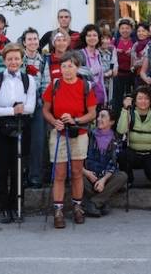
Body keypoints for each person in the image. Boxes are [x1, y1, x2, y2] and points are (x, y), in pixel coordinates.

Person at [42, 51, 98, 229]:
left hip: (79, 133)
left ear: (77, 67)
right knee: (59, 173)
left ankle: (77, 207)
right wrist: (54, 121)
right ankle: (58, 210)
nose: (67, 69)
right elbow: (46, 110)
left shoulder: (85, 86)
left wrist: (76, 120)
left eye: (70, 66)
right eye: (63, 66)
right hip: (58, 133)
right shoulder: (55, 85)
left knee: (76, 172)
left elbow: (92, 113)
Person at [0, 43, 36, 223]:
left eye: (17, 59)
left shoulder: (29, 80)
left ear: (22, 60)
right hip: (2, 128)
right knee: (1, 169)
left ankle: (16, 206)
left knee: (19, 169)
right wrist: (12, 110)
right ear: (4, 60)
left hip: (22, 127)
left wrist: (14, 110)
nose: (13, 62)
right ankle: (2, 207)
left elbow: (30, 107)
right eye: (10, 59)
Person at [117, 86, 151, 187]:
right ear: (135, 101)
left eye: (146, 98)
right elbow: (121, 130)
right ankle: (128, 179)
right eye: (140, 98)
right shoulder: (130, 114)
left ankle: (150, 173)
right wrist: (125, 109)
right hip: (133, 153)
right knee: (122, 156)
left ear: (150, 101)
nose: (143, 101)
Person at [83, 108, 128, 217]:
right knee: (76, 175)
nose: (99, 119)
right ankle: (102, 201)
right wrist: (86, 173)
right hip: (89, 176)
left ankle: (94, 202)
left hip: (105, 178)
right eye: (98, 116)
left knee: (122, 176)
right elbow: (78, 158)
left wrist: (103, 180)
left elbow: (113, 163)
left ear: (111, 122)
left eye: (103, 116)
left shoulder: (116, 139)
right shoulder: (89, 135)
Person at [21, 27, 46, 189]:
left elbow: (46, 83)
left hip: (37, 105)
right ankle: (21, 174)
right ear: (24, 42)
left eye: (35, 39)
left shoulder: (44, 61)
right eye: (29, 39)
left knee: (37, 141)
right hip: (20, 106)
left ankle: (35, 176)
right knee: (22, 140)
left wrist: (42, 100)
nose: (33, 42)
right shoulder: (18, 58)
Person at [78, 24, 108, 106]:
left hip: (99, 97)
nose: (92, 38)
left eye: (95, 35)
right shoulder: (80, 55)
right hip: (85, 98)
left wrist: (105, 98)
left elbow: (101, 79)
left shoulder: (98, 54)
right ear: (85, 37)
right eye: (89, 35)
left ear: (98, 38)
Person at [112, 18, 135, 114]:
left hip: (131, 75)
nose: (125, 30)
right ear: (119, 29)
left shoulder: (135, 41)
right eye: (122, 28)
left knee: (131, 97)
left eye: (127, 28)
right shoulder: (115, 41)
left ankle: (131, 118)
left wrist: (133, 53)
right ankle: (117, 119)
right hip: (118, 74)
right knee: (117, 99)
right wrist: (115, 52)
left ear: (131, 29)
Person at [99, 26, 118, 107]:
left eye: (107, 38)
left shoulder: (112, 49)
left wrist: (111, 71)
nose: (105, 41)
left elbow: (114, 65)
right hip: (98, 83)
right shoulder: (95, 50)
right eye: (103, 38)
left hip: (109, 82)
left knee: (109, 105)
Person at [131, 22, 150, 87]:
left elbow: (145, 60)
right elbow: (132, 60)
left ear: (148, 33)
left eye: (143, 31)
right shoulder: (135, 45)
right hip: (137, 74)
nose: (140, 33)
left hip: (148, 75)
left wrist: (135, 65)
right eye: (138, 31)